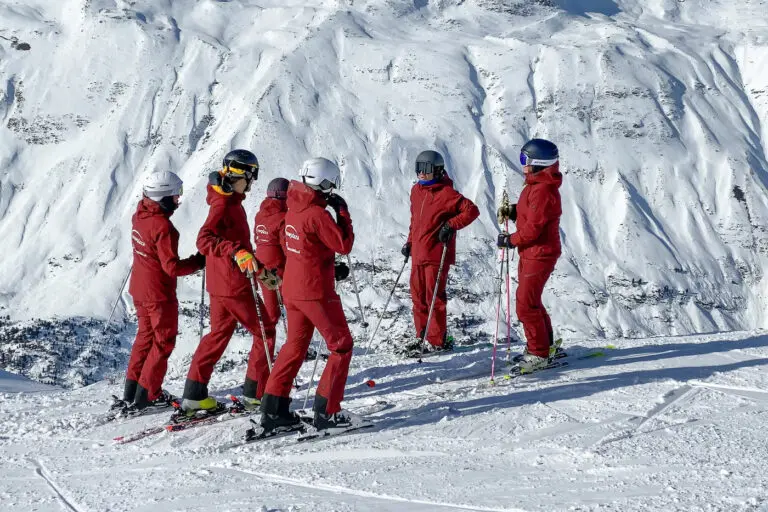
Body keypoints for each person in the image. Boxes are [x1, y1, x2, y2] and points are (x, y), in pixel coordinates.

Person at [180, 149, 280, 416]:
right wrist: (237, 253)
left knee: (218, 335)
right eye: (250, 178)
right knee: (266, 332)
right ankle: (255, 394)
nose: (251, 184)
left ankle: (194, 395)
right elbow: (205, 239)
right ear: (240, 175)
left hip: (220, 284)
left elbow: (237, 246)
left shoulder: (227, 201)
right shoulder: (224, 205)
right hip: (234, 285)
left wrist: (260, 271)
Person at [259, 157, 355, 434]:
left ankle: (273, 409)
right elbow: (343, 244)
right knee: (341, 346)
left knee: (295, 345)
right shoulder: (317, 214)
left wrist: (326, 264)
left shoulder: (292, 207)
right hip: (315, 291)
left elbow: (300, 246)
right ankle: (327, 412)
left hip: (292, 288)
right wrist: (343, 213)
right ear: (324, 183)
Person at [115, 170, 205, 414]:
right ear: (163, 197)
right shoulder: (163, 227)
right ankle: (148, 395)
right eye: (175, 196)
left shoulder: (139, 216)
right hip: (159, 293)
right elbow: (171, 267)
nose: (178, 201)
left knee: (145, 338)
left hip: (139, 289)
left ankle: (132, 392)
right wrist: (199, 261)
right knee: (163, 341)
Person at [400, 150, 479, 357]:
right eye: (418, 167)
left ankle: (436, 341)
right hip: (418, 253)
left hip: (436, 254)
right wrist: (410, 242)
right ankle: (422, 336)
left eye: (426, 168)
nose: (421, 172)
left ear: (437, 170)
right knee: (418, 298)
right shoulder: (416, 191)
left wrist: (451, 225)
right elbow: (415, 221)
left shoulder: (447, 193)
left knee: (433, 298)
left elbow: (471, 210)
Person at [497, 138, 563, 373]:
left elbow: (533, 229)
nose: (522, 164)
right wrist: (514, 211)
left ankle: (539, 353)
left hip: (540, 253)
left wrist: (510, 240)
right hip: (533, 252)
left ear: (539, 162)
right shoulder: (536, 186)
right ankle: (546, 345)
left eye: (525, 159)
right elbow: (532, 215)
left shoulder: (542, 190)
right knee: (531, 301)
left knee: (525, 305)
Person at [253, 178, 289, 329]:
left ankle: (266, 339)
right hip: (279, 270)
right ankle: (294, 342)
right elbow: (287, 247)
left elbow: (257, 238)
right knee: (292, 306)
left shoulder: (260, 215)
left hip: (261, 268)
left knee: (271, 312)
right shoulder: (283, 218)